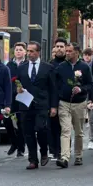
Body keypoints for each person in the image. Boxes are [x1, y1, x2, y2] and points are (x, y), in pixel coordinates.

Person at [16, 41, 58, 169]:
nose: (29, 54)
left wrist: (53, 106)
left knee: (41, 129)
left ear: (38, 52)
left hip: (42, 104)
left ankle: (44, 151)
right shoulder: (22, 67)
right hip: (26, 104)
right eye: (28, 51)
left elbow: (53, 88)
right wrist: (17, 89)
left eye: (32, 51)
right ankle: (33, 160)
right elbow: (16, 83)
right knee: (28, 132)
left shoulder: (47, 68)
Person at [55, 43, 93, 168]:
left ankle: (78, 155)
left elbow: (90, 85)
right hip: (64, 103)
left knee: (78, 131)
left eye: (70, 51)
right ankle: (65, 157)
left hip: (79, 103)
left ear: (77, 53)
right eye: (66, 51)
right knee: (65, 130)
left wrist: (81, 89)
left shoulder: (84, 67)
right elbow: (56, 84)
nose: (67, 53)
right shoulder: (61, 67)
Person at [5, 42, 27, 157]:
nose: (18, 51)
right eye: (16, 49)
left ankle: (21, 148)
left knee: (21, 123)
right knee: (8, 121)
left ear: (25, 52)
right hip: (11, 97)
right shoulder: (9, 65)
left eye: (20, 49)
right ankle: (14, 143)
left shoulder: (27, 64)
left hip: (23, 97)